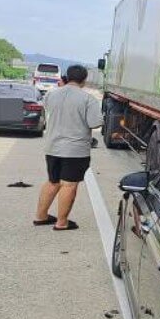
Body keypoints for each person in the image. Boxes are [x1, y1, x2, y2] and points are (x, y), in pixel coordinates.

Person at [33, 64, 103, 230]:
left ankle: (41, 216)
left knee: (52, 181)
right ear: (84, 80)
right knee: (69, 185)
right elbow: (95, 123)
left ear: (66, 77)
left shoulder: (51, 95)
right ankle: (62, 222)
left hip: (52, 147)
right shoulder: (88, 99)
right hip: (75, 150)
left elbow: (49, 110)